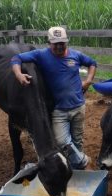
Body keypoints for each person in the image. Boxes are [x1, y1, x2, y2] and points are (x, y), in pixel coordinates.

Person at [10, 26, 96, 169]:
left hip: (79, 107)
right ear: (49, 42)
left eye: (62, 43)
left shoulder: (76, 55)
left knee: (77, 141)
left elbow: (92, 63)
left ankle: (76, 169)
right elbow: (16, 58)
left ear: (66, 42)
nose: (59, 47)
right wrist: (19, 74)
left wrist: (88, 81)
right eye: (55, 44)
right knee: (62, 142)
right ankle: (83, 161)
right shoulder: (41, 55)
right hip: (59, 110)